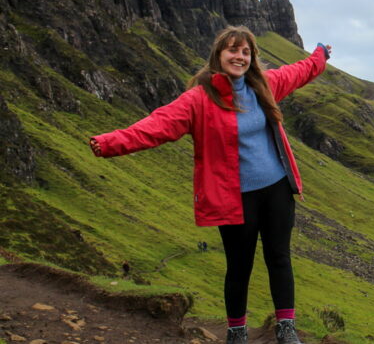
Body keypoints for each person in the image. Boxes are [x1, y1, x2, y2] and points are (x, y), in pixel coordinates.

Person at [89, 26, 330, 344]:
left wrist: (320, 55)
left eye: (245, 52)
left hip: (276, 190)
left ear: (252, 58)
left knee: (279, 257)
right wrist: (110, 143)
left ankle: (286, 329)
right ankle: (237, 332)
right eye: (232, 50)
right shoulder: (199, 100)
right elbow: (157, 125)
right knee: (239, 265)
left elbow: (300, 71)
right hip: (235, 197)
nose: (239, 56)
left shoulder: (264, 86)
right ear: (218, 56)